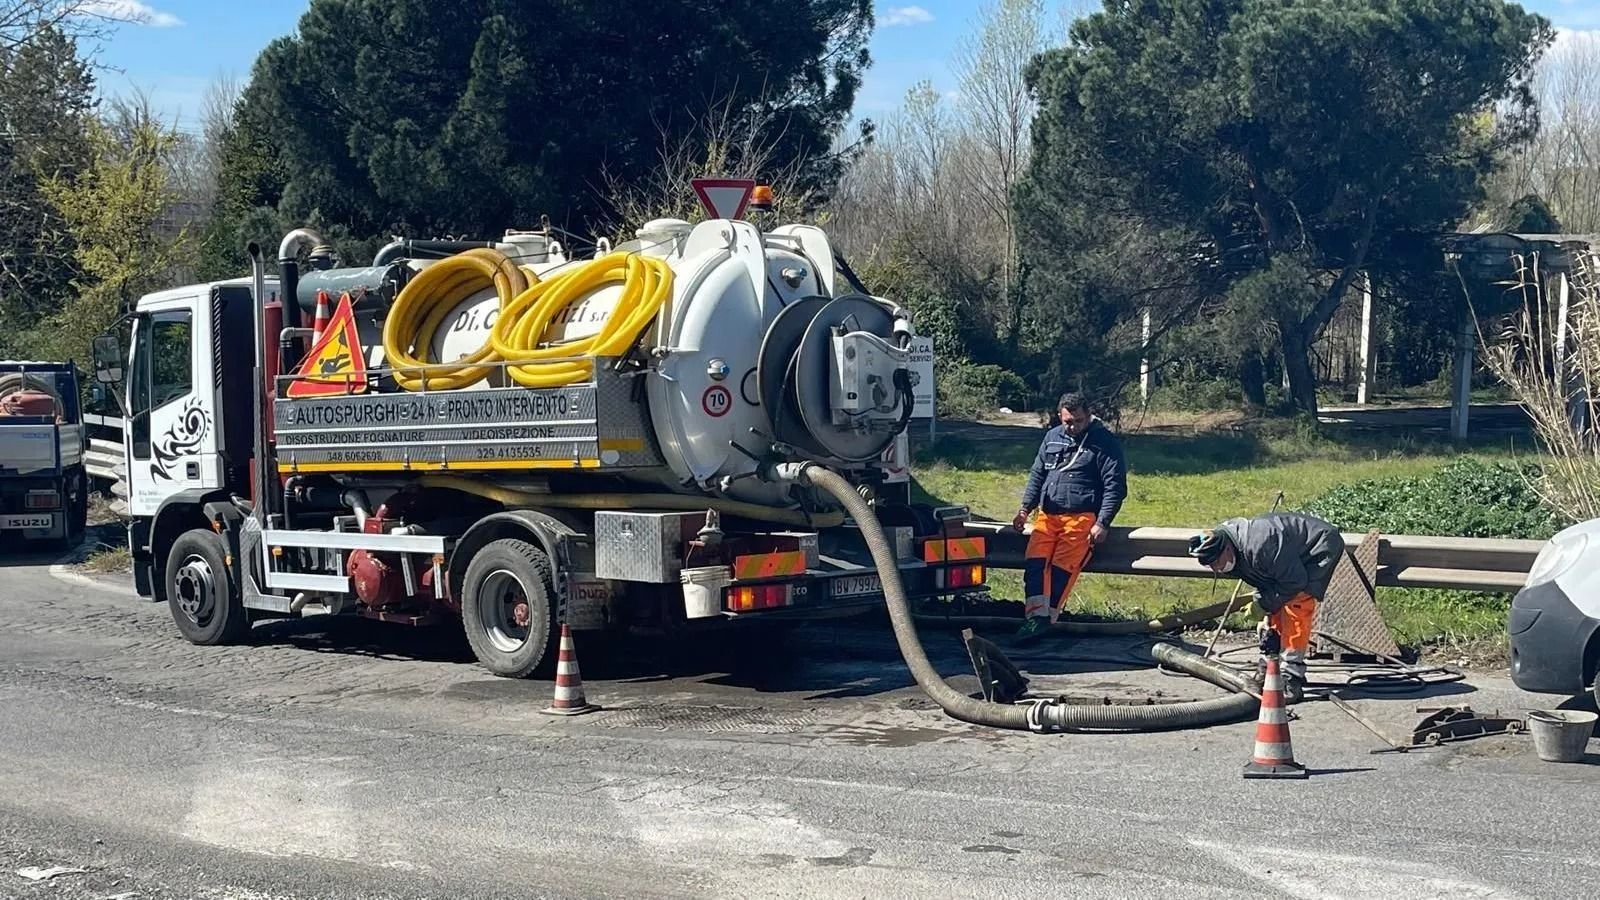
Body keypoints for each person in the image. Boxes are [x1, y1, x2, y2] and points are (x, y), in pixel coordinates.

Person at [1187, 512, 1346, 703]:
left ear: (1226, 549)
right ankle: (1270, 666)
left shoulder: (1260, 544)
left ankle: (1291, 676)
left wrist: (1262, 603)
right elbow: (1265, 579)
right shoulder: (1230, 550)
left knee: (1297, 602)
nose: (1215, 569)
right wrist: (1262, 603)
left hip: (1317, 546)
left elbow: (1294, 582)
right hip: (1286, 559)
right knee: (1276, 608)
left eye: (1215, 563)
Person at [1012, 393, 1127, 639]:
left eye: (1078, 421)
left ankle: (1046, 620)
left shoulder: (1104, 441)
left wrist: (1103, 522)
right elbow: (1037, 475)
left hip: (1081, 517)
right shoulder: (1052, 438)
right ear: (1059, 417)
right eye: (1067, 421)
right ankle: (1035, 617)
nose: (1072, 426)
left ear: (1088, 416)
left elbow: (1114, 486)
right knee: (1035, 564)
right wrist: (1025, 509)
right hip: (1047, 515)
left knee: (1062, 569)